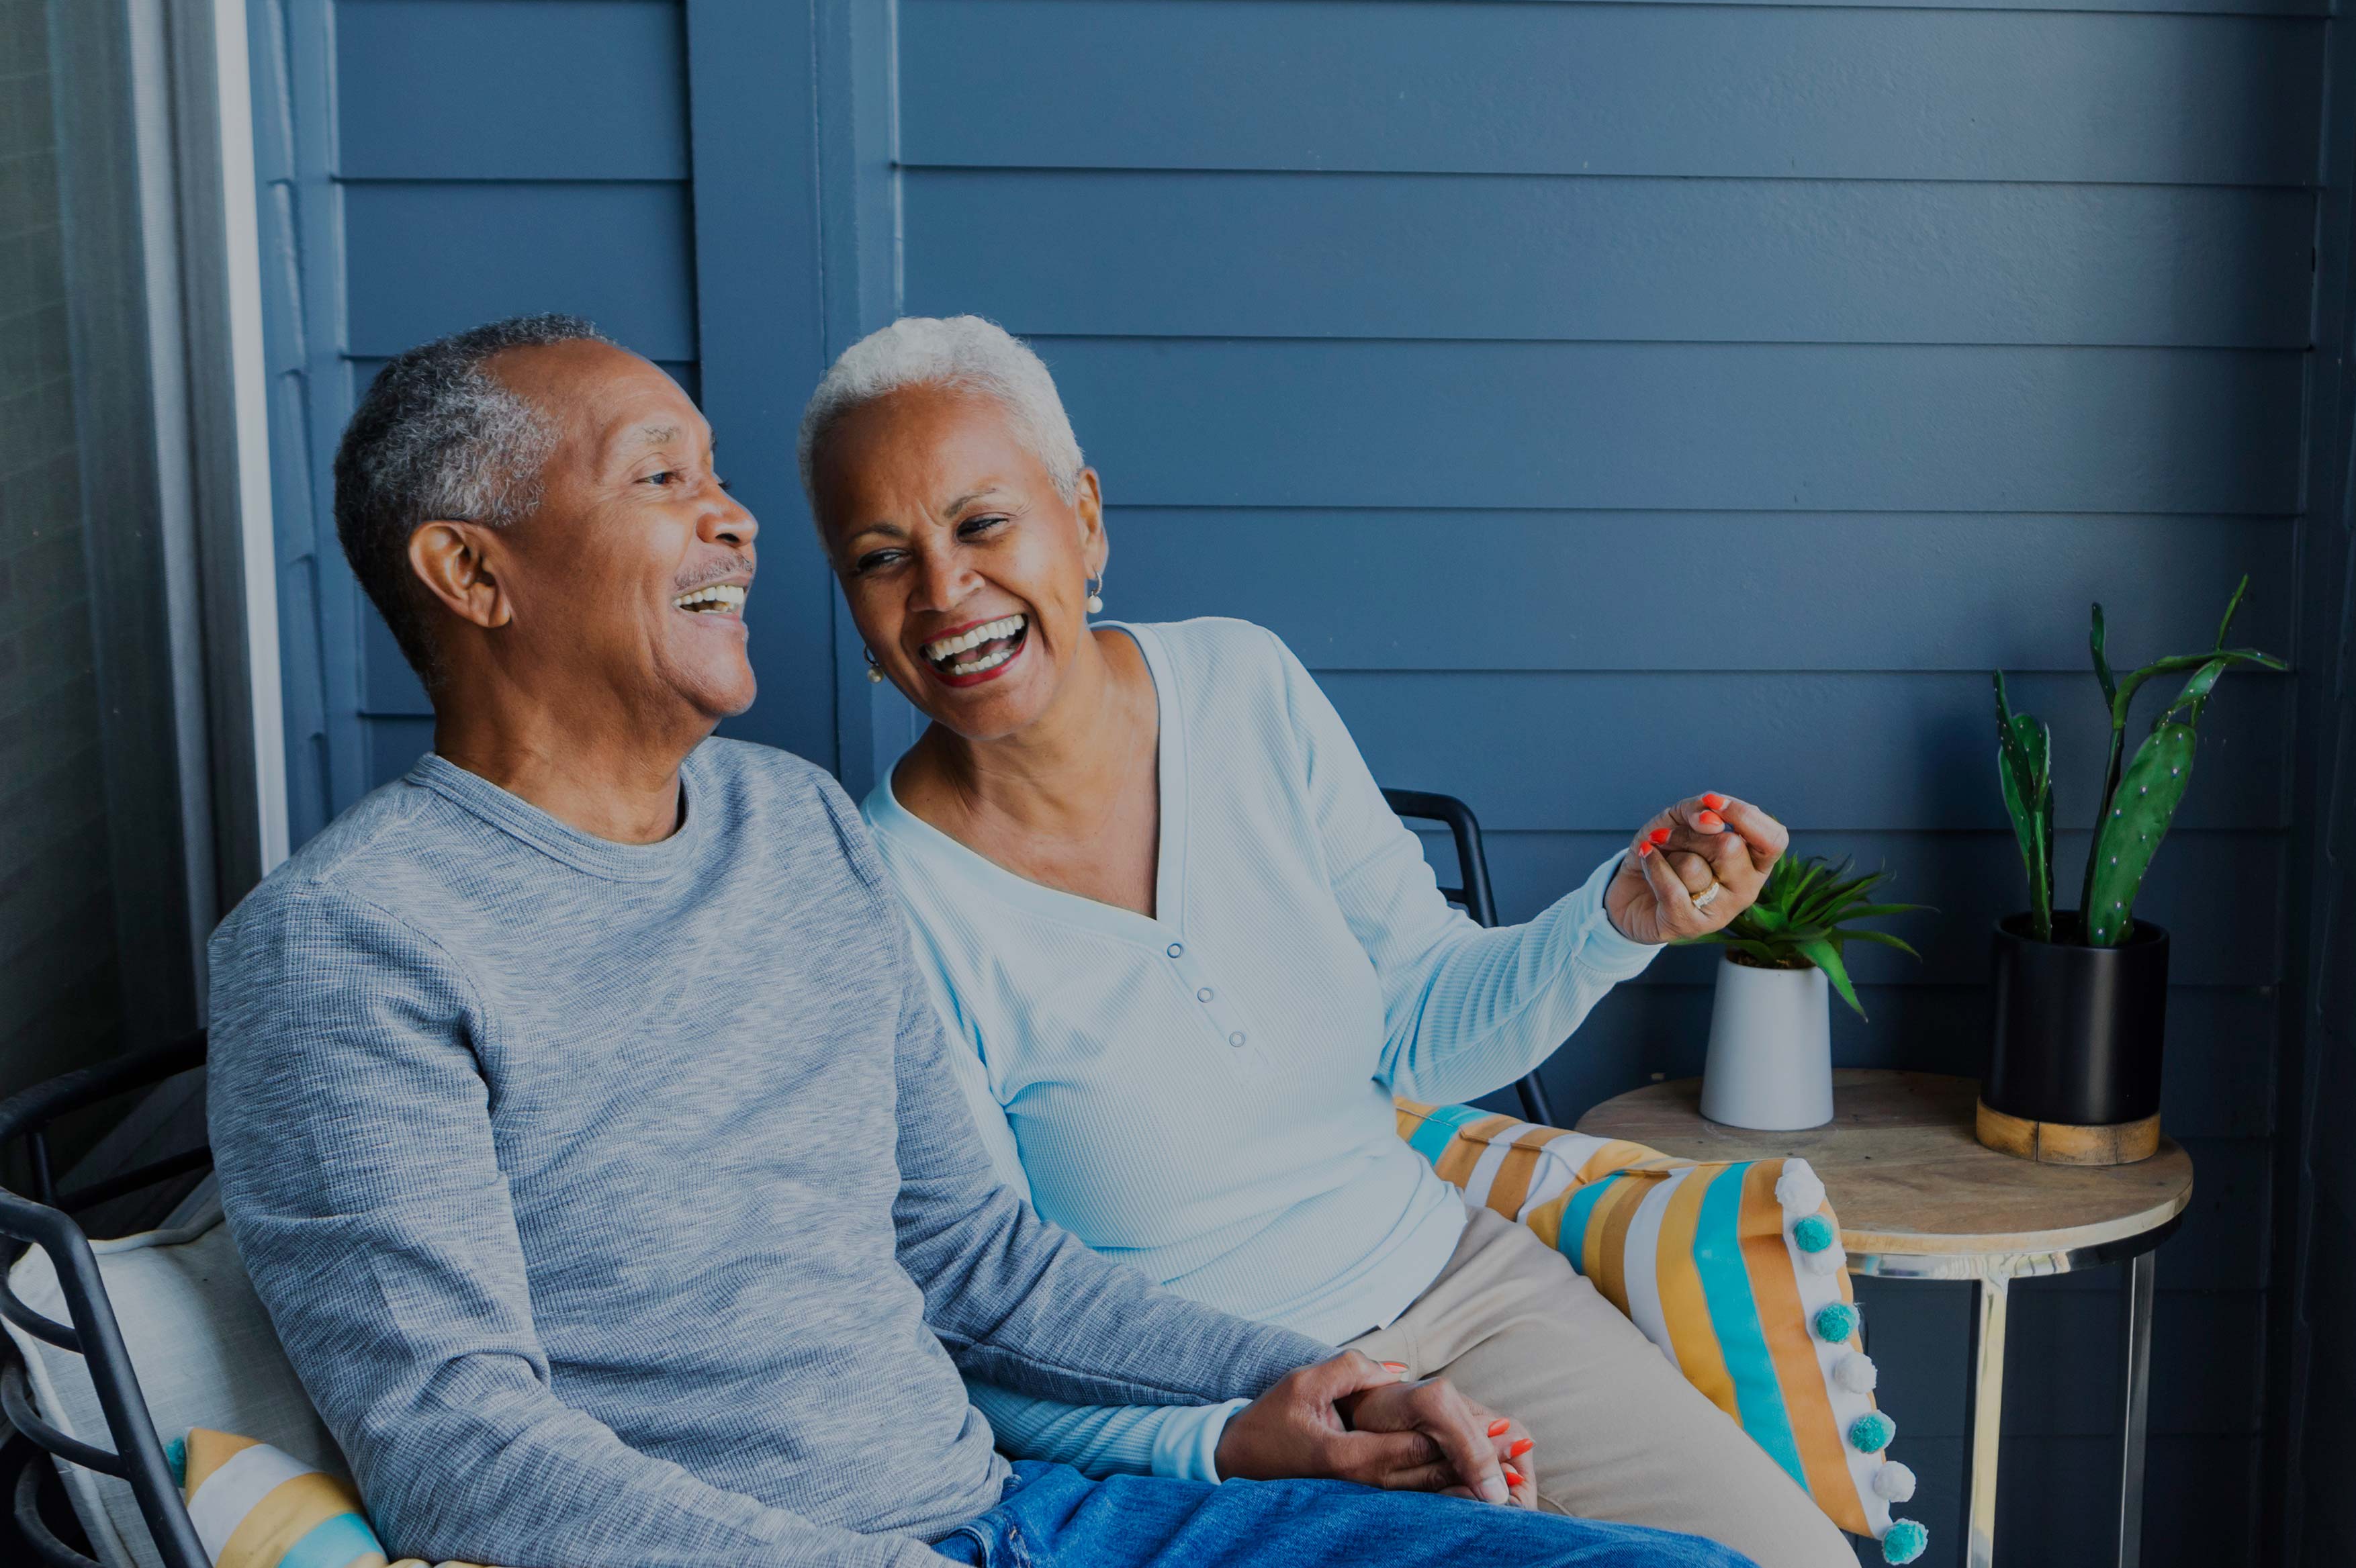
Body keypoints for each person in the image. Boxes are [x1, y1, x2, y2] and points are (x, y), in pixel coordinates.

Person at [205, 314, 1746, 1568]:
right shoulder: (353, 945)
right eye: (659, 478)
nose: (732, 517)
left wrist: (1289, 1376)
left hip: (1028, 1519)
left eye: (719, 476)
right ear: (473, 573)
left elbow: (974, 1256)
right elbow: (455, 1448)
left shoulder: (785, 826)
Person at [795, 316, 1854, 1568]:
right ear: (856, 615)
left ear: (1083, 517)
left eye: (982, 523)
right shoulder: (882, 898)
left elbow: (1417, 1025)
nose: (944, 592)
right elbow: (982, 1329)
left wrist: (1610, 926)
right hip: (1225, 1426)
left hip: (1462, 1289)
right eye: (881, 557)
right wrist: (1233, 1438)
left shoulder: (1246, 687)